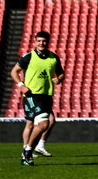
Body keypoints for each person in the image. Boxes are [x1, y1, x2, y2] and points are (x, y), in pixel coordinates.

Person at [11, 30, 65, 166]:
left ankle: (27, 153)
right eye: (39, 41)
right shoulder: (28, 57)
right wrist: (21, 85)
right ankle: (28, 150)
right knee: (43, 124)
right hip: (31, 95)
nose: (41, 43)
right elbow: (14, 72)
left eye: (44, 41)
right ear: (35, 41)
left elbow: (61, 73)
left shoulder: (54, 57)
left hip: (47, 95)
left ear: (48, 42)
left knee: (35, 124)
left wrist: (59, 79)